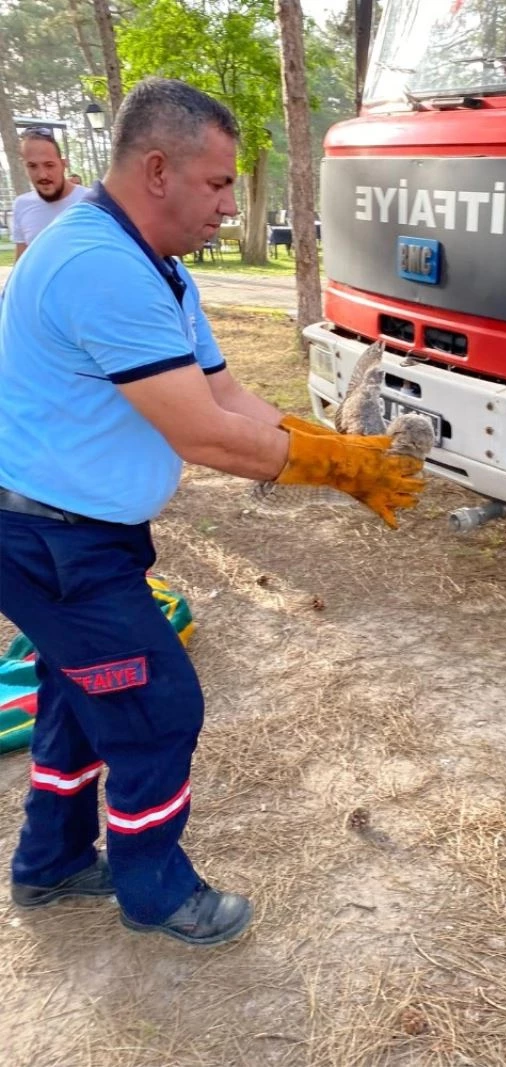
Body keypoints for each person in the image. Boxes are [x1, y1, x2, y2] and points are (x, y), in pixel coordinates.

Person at [0, 78, 424, 946]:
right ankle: (154, 889)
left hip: (79, 533)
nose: (231, 205)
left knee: (81, 694)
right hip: (47, 537)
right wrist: (331, 465)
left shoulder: (156, 268)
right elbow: (206, 436)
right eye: (220, 183)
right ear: (158, 169)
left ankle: (49, 862)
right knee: (155, 705)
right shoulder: (99, 268)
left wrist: (327, 450)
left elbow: (224, 393)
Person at [11, 129, 90, 260]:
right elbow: (21, 264)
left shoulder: (92, 201)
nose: (42, 175)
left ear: (63, 164)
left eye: (49, 165)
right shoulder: (22, 205)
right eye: (32, 166)